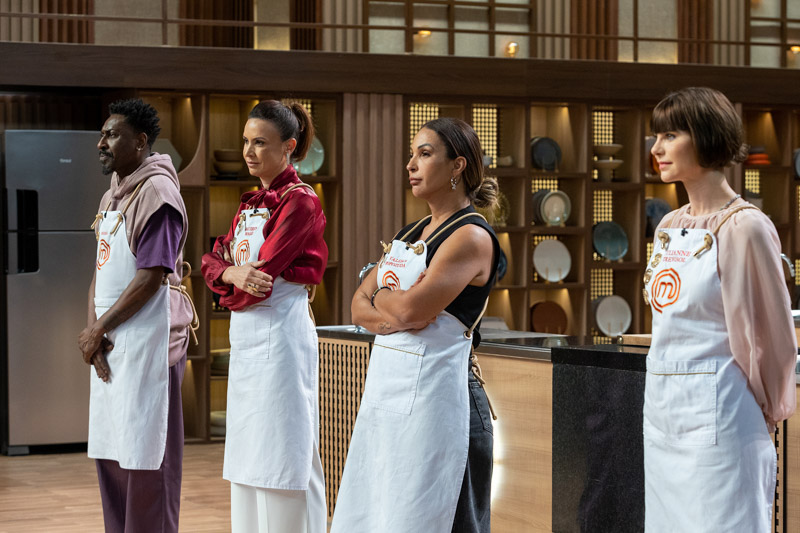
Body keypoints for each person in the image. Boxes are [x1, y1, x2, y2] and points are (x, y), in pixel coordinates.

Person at [330, 117, 500, 532]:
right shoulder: (410, 233)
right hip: (388, 396)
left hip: (444, 402)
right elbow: (357, 307)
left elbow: (406, 312)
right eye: (412, 154)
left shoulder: (471, 237)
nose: (411, 165)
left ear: (457, 165)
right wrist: (397, 307)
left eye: (424, 154)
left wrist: (385, 300)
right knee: (383, 516)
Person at [643, 87, 797, 532]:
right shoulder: (669, 226)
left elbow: (772, 336)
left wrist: (771, 406)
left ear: (707, 137)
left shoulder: (746, 227)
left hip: (725, 421)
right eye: (657, 136)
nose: (656, 149)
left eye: (670, 135)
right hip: (663, 416)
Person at [201, 100, 328, 533]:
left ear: (289, 147)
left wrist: (228, 276)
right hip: (248, 339)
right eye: (245, 142)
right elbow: (213, 260)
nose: (248, 152)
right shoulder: (251, 203)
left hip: (281, 339)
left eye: (260, 143)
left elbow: (260, 280)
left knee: (283, 451)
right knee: (249, 452)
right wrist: (230, 273)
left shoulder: (301, 201)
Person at [79, 98, 195, 532]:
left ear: (141, 142)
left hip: (149, 344)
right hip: (112, 343)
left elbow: (151, 276)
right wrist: (93, 333)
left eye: (111, 135)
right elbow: (101, 270)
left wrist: (99, 328)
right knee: (114, 456)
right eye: (102, 134)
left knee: (148, 463)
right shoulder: (113, 193)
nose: (100, 144)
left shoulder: (157, 194)